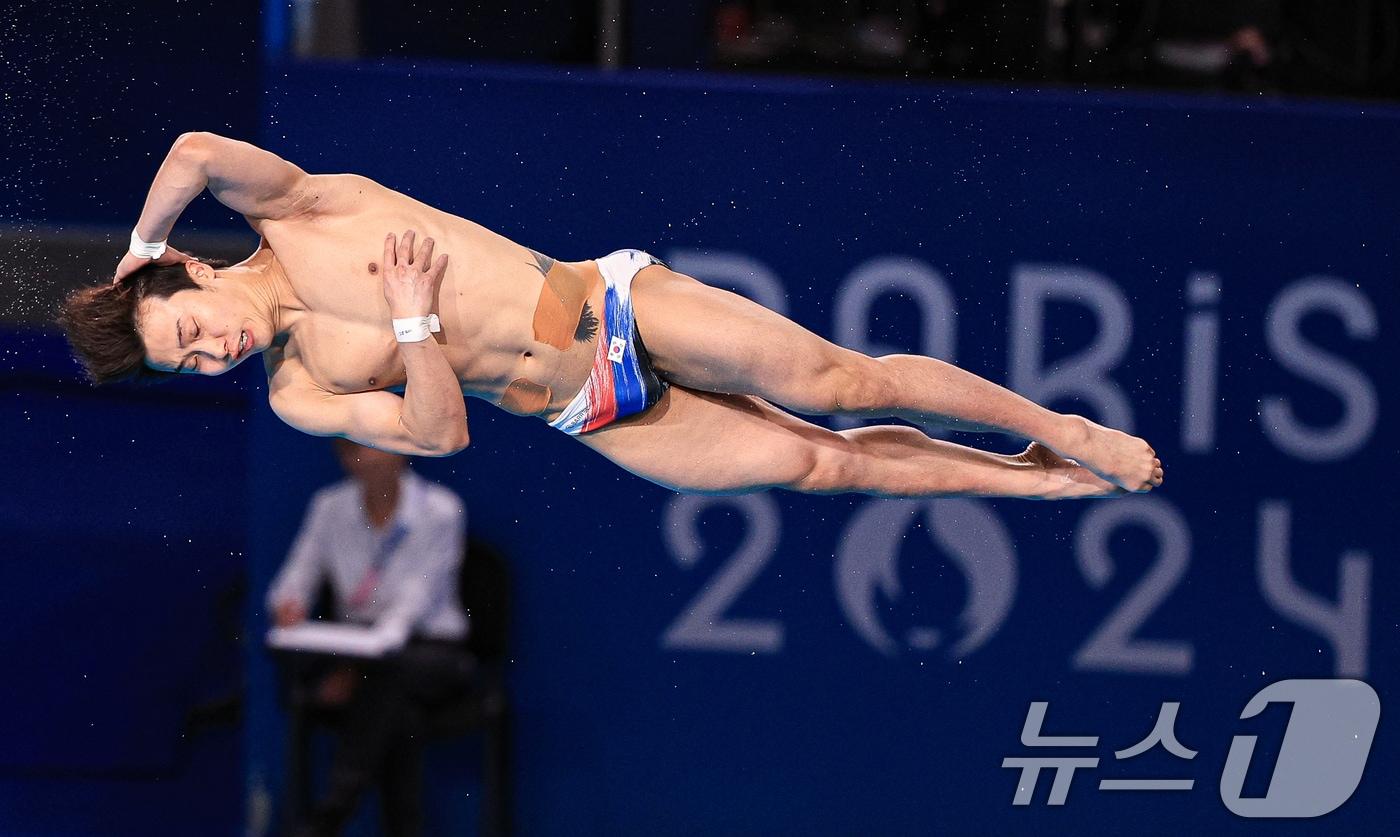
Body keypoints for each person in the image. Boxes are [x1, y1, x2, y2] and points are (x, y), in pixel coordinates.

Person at [59, 131, 1163, 501]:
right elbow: (440, 435)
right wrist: (408, 327)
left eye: (189, 333)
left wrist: (139, 245)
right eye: (190, 369)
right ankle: (1037, 479)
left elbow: (195, 153)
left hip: (609, 307)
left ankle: (1066, 429)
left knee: (842, 386)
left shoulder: (304, 210)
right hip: (585, 408)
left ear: (192, 281)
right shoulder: (302, 390)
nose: (212, 357)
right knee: (820, 468)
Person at [267, 438, 471, 837]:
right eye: (353, 448)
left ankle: (335, 807)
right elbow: (296, 578)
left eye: (376, 444)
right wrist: (288, 603)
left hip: (432, 652)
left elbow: (414, 602)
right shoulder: (329, 506)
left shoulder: (441, 510)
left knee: (388, 676)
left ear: (403, 449)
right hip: (364, 655)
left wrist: (358, 667)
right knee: (397, 708)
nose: (366, 456)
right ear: (343, 458)